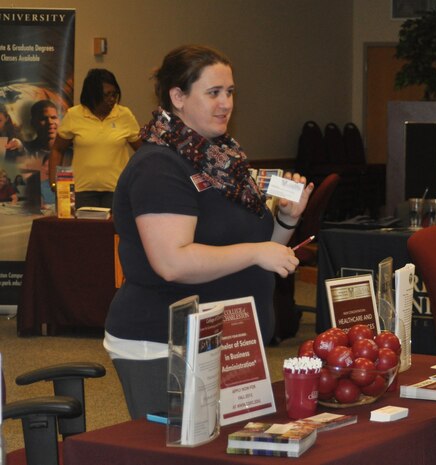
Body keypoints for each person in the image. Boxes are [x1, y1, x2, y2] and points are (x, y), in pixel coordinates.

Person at [103, 45, 314, 419]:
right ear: (178, 97)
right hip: (164, 342)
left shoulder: (224, 160)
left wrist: (286, 220)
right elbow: (173, 262)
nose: (226, 103)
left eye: (230, 92)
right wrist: (254, 252)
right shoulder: (159, 165)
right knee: (177, 454)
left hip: (229, 338)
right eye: (213, 93)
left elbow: (263, 255)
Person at [49, 69, 142, 209]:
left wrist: (137, 180)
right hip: (81, 191)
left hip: (117, 191)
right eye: (106, 95)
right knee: (85, 230)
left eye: (114, 94)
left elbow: (142, 151)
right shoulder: (74, 115)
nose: (112, 99)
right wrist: (54, 182)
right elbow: (57, 149)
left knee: (114, 231)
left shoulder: (124, 115)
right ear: (92, 95)